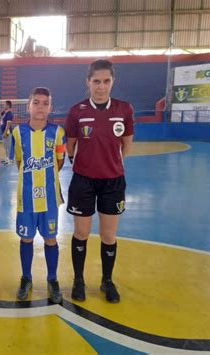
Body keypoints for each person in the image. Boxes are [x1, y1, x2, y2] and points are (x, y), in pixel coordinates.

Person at [64, 59, 134, 304]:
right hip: (83, 181)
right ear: (88, 82)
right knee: (81, 232)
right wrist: (83, 163)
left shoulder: (124, 109)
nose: (101, 87)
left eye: (106, 81)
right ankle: (79, 280)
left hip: (113, 182)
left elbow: (126, 143)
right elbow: (70, 145)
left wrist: (112, 163)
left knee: (108, 235)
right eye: (96, 81)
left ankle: (107, 280)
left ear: (112, 81)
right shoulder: (77, 111)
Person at [10, 87, 66, 304]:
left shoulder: (58, 132)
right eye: (36, 102)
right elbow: (18, 161)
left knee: (51, 238)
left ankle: (52, 279)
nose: (40, 107)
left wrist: (46, 178)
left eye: (45, 103)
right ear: (28, 106)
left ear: (50, 107)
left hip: (50, 197)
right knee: (26, 237)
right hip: (26, 198)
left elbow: (59, 161)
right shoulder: (17, 132)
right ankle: (26, 277)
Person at [0, 100, 14, 165]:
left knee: (8, 146)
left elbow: (9, 123)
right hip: (3, 132)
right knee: (5, 146)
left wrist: (5, 132)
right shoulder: (5, 113)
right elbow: (0, 114)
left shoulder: (10, 113)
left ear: (8, 105)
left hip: (7, 132)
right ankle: (7, 158)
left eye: (5, 104)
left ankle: (9, 160)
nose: (3, 105)